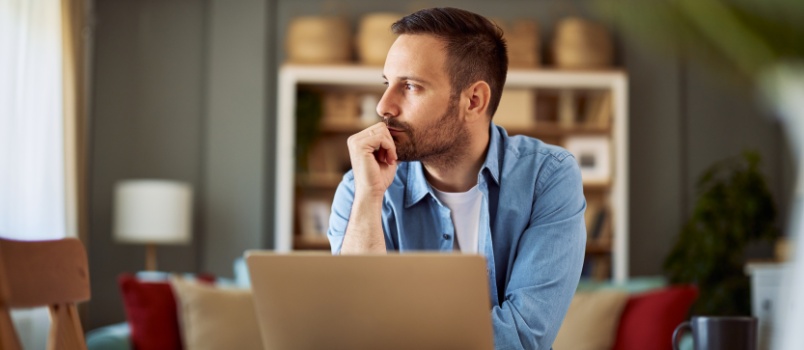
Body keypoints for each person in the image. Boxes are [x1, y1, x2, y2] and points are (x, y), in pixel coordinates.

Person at [327, 7, 586, 349]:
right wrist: (369, 196)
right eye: (388, 84)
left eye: (411, 86)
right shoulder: (361, 187)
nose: (384, 106)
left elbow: (523, 336)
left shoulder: (547, 177)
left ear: (474, 101)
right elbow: (354, 327)